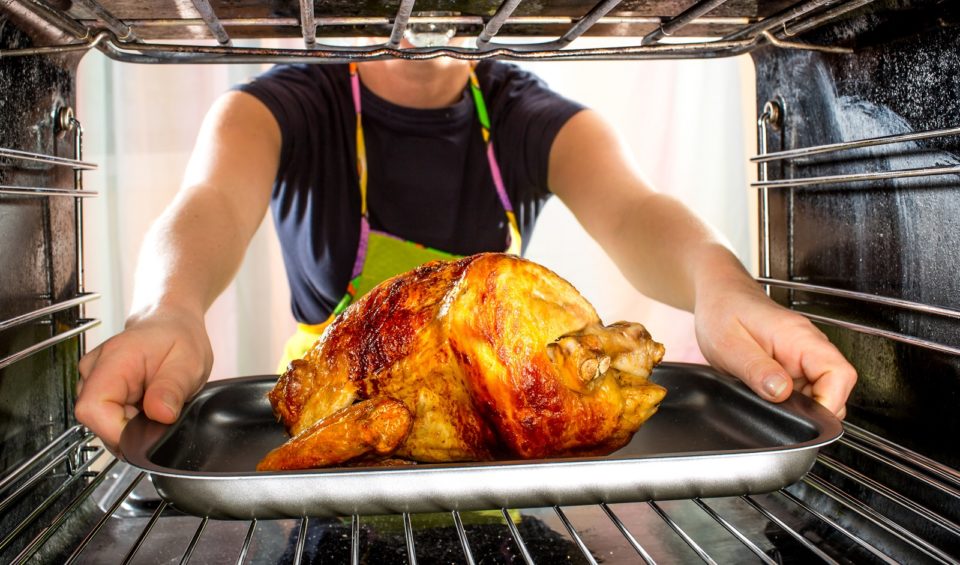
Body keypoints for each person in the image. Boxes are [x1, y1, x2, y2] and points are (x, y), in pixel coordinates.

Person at [75, 50, 857, 454]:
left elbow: (638, 209)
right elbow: (207, 203)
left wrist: (720, 285)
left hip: (501, 451)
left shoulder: (525, 115)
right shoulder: (287, 106)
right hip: (346, 445)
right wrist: (168, 307)